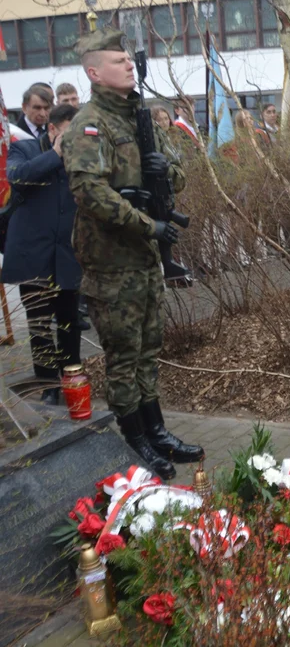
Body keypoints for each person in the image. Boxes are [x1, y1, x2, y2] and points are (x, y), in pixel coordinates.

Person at [64, 27, 204, 480]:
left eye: (129, 59)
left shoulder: (138, 117)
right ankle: (135, 440)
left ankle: (156, 430)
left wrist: (167, 171)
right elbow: (89, 192)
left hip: (144, 258)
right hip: (112, 260)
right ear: (94, 72)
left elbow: (176, 174)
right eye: (117, 60)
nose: (128, 64)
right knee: (124, 356)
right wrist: (149, 225)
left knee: (148, 350)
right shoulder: (89, 124)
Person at [3, 104, 83, 404]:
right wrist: (56, 154)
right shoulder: (23, 148)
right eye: (69, 133)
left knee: (69, 321)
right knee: (39, 323)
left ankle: (73, 375)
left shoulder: (82, 156)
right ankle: (48, 385)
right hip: (32, 254)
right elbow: (18, 177)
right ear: (53, 129)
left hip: (67, 253)